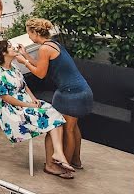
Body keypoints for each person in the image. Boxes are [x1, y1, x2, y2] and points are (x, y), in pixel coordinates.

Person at [16, 18, 93, 170]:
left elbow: (40, 73)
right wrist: (25, 55)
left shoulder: (44, 49)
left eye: (29, 33)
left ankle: (66, 167)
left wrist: (24, 63)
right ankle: (76, 161)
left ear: (35, 32)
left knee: (68, 130)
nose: (29, 37)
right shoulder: (52, 44)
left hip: (71, 94)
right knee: (74, 126)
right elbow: (41, 64)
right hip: (82, 90)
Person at [0, 39, 74, 178]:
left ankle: (57, 154)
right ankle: (53, 162)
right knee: (52, 119)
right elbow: (6, 98)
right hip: (13, 110)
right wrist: (29, 105)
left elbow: (25, 86)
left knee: (55, 113)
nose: (14, 47)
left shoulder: (14, 68)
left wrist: (34, 99)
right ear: (4, 53)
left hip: (27, 103)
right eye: (10, 47)